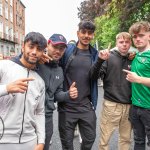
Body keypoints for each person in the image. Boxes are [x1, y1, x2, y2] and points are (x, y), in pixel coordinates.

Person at [0, 32, 47, 150]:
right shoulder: (4, 67)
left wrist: (41, 141)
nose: (34, 52)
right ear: (23, 47)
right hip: (3, 138)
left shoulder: (40, 81)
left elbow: (39, 112)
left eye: (39, 49)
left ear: (42, 53)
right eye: (31, 47)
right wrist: (6, 88)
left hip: (30, 140)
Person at [58, 20, 98, 150]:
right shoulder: (67, 51)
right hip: (67, 107)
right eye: (83, 32)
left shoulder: (95, 54)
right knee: (67, 144)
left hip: (86, 105)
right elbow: (54, 61)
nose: (86, 35)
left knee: (90, 138)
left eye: (90, 33)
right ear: (78, 33)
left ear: (93, 35)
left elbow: (98, 74)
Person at [90, 32, 133, 150]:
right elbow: (94, 77)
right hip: (111, 105)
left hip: (129, 106)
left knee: (126, 139)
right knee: (105, 139)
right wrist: (99, 60)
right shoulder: (108, 57)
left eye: (127, 42)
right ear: (116, 43)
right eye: (121, 42)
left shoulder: (133, 58)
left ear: (130, 43)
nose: (124, 44)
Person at [37, 34, 78, 150]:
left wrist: (68, 94)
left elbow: (56, 95)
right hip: (29, 115)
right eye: (55, 47)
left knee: (44, 147)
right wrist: (38, 57)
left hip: (47, 118)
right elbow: (20, 60)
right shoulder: (35, 63)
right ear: (48, 45)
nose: (58, 51)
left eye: (61, 48)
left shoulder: (59, 71)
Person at [123, 21, 150, 150]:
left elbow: (139, 78)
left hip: (148, 108)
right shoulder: (136, 55)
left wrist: (139, 79)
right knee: (138, 142)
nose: (138, 39)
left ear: (149, 35)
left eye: (141, 35)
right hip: (135, 107)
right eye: (134, 36)